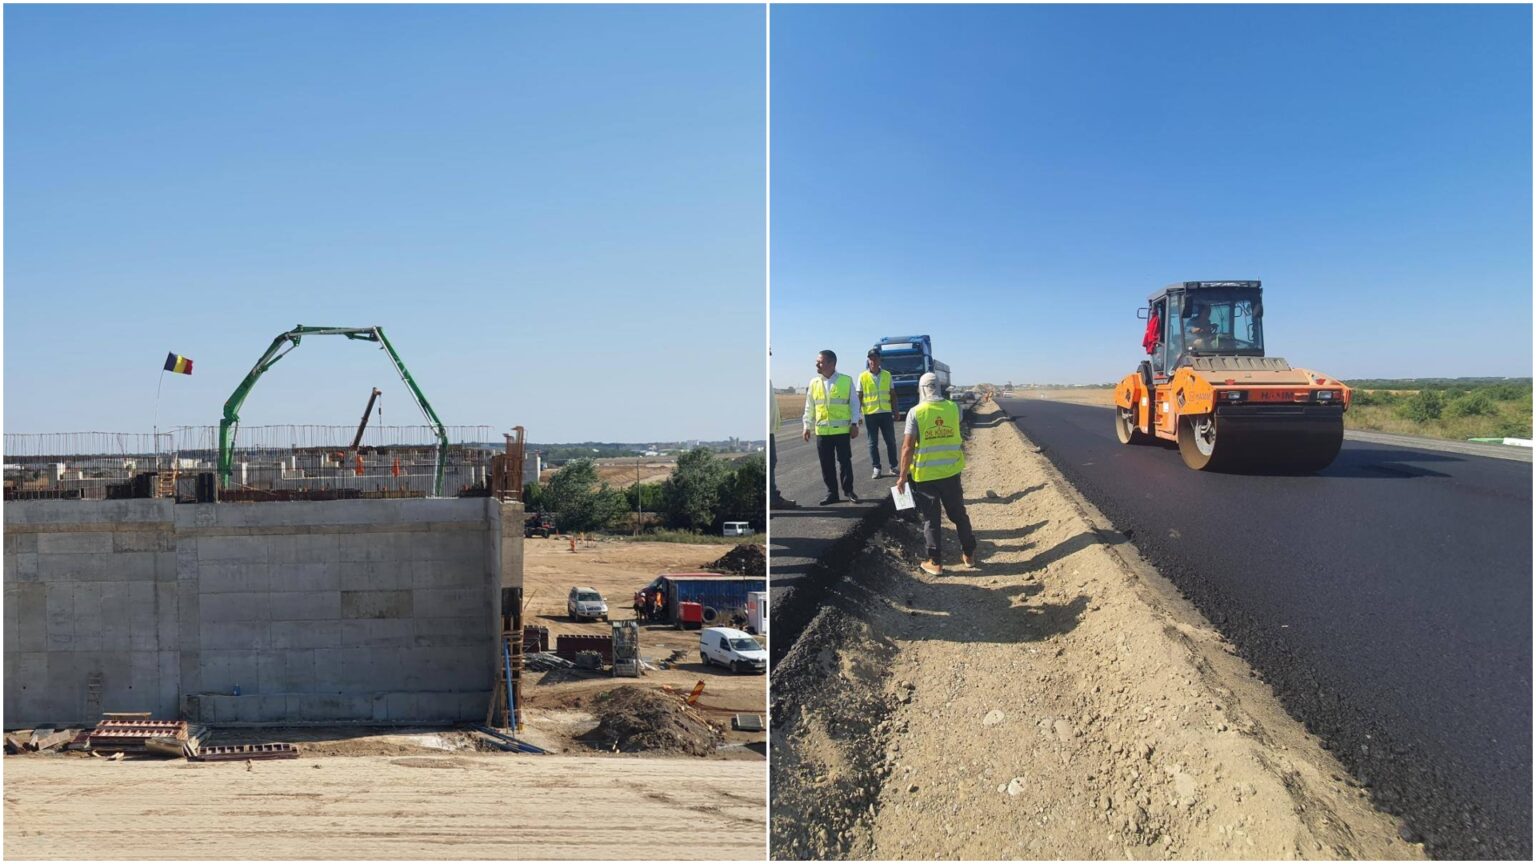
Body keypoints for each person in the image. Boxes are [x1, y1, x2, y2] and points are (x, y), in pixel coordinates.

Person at [895, 372, 977, 575]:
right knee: (958, 514)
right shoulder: (952, 408)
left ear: (921, 390)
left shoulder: (916, 412)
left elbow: (907, 447)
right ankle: (969, 554)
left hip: (926, 476)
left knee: (931, 519)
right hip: (951, 472)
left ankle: (935, 562)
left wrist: (902, 476)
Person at [803, 349, 860, 506]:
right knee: (826, 464)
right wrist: (806, 426)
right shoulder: (813, 383)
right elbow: (810, 407)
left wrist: (855, 423)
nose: (817, 364)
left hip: (842, 431)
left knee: (845, 462)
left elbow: (855, 404)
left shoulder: (846, 381)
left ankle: (848, 490)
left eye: (820, 361)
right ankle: (832, 493)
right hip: (822, 432)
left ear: (832, 363)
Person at [858, 348, 899, 479]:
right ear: (868, 360)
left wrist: (896, 410)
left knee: (891, 441)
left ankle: (893, 466)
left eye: (875, 358)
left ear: (880, 360)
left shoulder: (887, 375)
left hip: (886, 413)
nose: (873, 361)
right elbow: (859, 396)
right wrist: (857, 415)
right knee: (872, 443)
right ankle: (876, 468)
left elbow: (893, 394)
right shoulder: (862, 376)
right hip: (870, 414)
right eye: (870, 358)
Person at [769, 377, 799, 509]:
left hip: (768, 430)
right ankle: (771, 500)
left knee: (771, 463)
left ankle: (772, 498)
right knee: (768, 464)